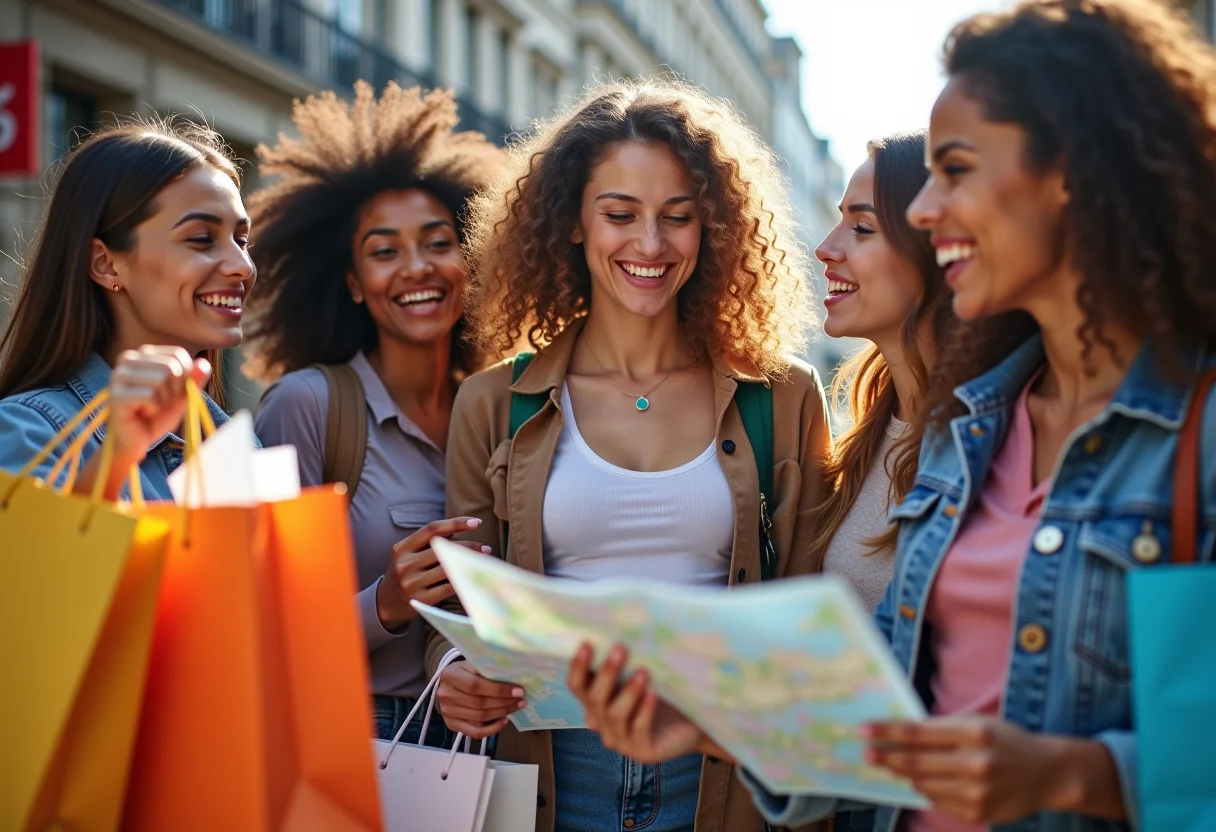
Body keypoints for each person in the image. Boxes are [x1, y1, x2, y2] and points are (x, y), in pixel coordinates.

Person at [569, 1, 1216, 831]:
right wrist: (709, 726)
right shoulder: (967, 436)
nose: (926, 209)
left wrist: (1067, 774)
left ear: (1072, 173)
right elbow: (894, 740)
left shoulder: (1193, 427)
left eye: (956, 170)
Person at [430, 78, 832, 832]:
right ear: (573, 223)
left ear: (712, 229)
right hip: (553, 771)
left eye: (678, 218)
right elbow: (455, 604)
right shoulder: (493, 403)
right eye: (620, 215)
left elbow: (812, 610)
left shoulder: (782, 396)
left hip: (725, 775)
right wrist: (452, 672)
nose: (650, 245)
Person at [247, 81, 503, 747]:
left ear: (470, 261)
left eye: (438, 242)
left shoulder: (503, 410)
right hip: (362, 739)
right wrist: (384, 603)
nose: (416, 268)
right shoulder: (307, 408)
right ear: (356, 283)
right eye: (384, 251)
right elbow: (264, 622)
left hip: (494, 740)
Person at [0, 119, 253, 496]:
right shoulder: (28, 431)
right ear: (105, 263)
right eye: (202, 239)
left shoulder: (235, 447)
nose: (243, 267)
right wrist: (114, 458)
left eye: (242, 239)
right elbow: (31, 556)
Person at [811, 130, 954, 614]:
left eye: (863, 228)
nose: (825, 249)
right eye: (839, 222)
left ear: (937, 249)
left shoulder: (996, 435)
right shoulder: (866, 433)